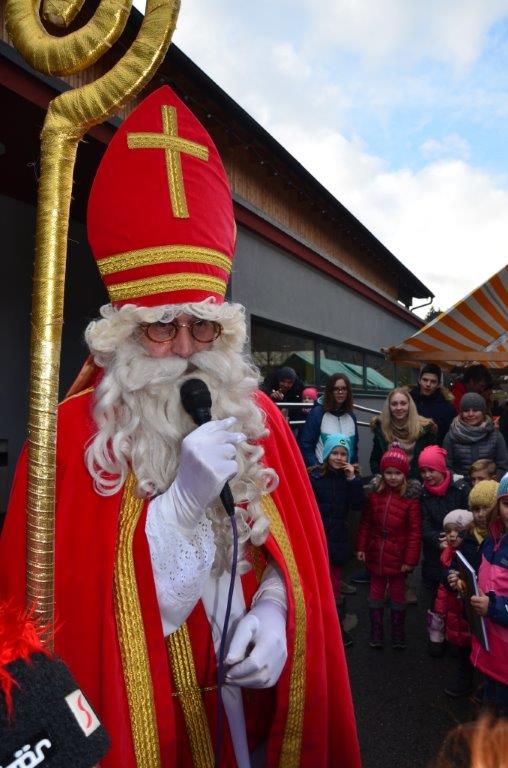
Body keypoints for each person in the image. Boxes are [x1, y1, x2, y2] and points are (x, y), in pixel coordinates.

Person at [0, 87, 361, 768]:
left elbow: (291, 560)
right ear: (124, 331)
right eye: (164, 325)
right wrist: (181, 509)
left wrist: (278, 611)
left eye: (204, 324)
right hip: (142, 726)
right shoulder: (65, 443)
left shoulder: (260, 420)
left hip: (241, 714)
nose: (188, 346)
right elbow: (70, 624)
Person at [356, 445, 421, 650]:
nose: (393, 477)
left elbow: (414, 533)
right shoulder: (375, 495)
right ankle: (376, 631)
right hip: (376, 550)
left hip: (398, 554)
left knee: (397, 593)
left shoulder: (410, 500)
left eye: (397, 473)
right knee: (374, 592)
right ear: (382, 473)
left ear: (405, 474)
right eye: (388, 472)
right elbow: (366, 523)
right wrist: (362, 547)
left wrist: (410, 560)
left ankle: (397, 631)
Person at [309, 434, 364, 647]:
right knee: (315, 583)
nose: (339, 458)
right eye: (335, 453)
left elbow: (358, 505)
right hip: (317, 537)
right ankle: (316, 625)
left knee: (334, 587)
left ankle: (337, 628)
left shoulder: (350, 480)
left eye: (343, 454)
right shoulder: (314, 478)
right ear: (326, 454)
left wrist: (352, 480)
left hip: (338, 539)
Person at [470, 473, 508, 718]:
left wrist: (492, 606)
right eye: (507, 503)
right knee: (492, 705)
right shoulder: (491, 539)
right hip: (490, 646)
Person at [418, 445, 470, 608]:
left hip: (461, 550)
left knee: (459, 595)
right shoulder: (423, 493)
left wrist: (460, 537)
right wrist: (436, 539)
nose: (427, 475)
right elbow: (423, 522)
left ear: (441, 468)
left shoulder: (460, 488)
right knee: (435, 596)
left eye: (431, 470)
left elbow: (470, 518)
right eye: (423, 471)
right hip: (435, 553)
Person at [432, 509, 475, 698]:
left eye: (458, 531)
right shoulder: (447, 553)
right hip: (454, 608)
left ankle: (468, 680)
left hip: (465, 609)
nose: (452, 535)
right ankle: (465, 677)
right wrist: (440, 608)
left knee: (469, 644)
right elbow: (443, 587)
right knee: (462, 646)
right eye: (448, 531)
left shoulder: (468, 553)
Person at [370, 386, 437, 479]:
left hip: (418, 484)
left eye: (403, 403)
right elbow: (375, 461)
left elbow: (432, 461)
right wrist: (384, 479)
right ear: (389, 407)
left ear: (409, 405)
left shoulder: (425, 428)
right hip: (391, 483)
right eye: (394, 404)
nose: (399, 407)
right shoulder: (382, 428)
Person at [298, 373, 359, 467]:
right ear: (330, 391)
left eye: (344, 388)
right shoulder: (317, 413)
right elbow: (306, 446)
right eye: (336, 389)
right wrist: (317, 469)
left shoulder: (351, 416)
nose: (340, 392)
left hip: (346, 476)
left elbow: (354, 448)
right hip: (322, 475)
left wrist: (354, 471)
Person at [443, 393, 508, 477]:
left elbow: (503, 467)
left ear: (483, 412)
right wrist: (459, 483)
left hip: (489, 487)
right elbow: (446, 467)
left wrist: (489, 482)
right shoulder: (451, 436)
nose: (470, 414)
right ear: (461, 413)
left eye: (475, 410)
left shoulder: (495, 435)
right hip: (459, 486)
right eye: (466, 411)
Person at [409, 363, 456, 445]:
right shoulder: (407, 402)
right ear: (419, 381)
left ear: (438, 385)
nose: (428, 384)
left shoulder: (447, 409)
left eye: (433, 381)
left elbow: (450, 438)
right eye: (425, 380)